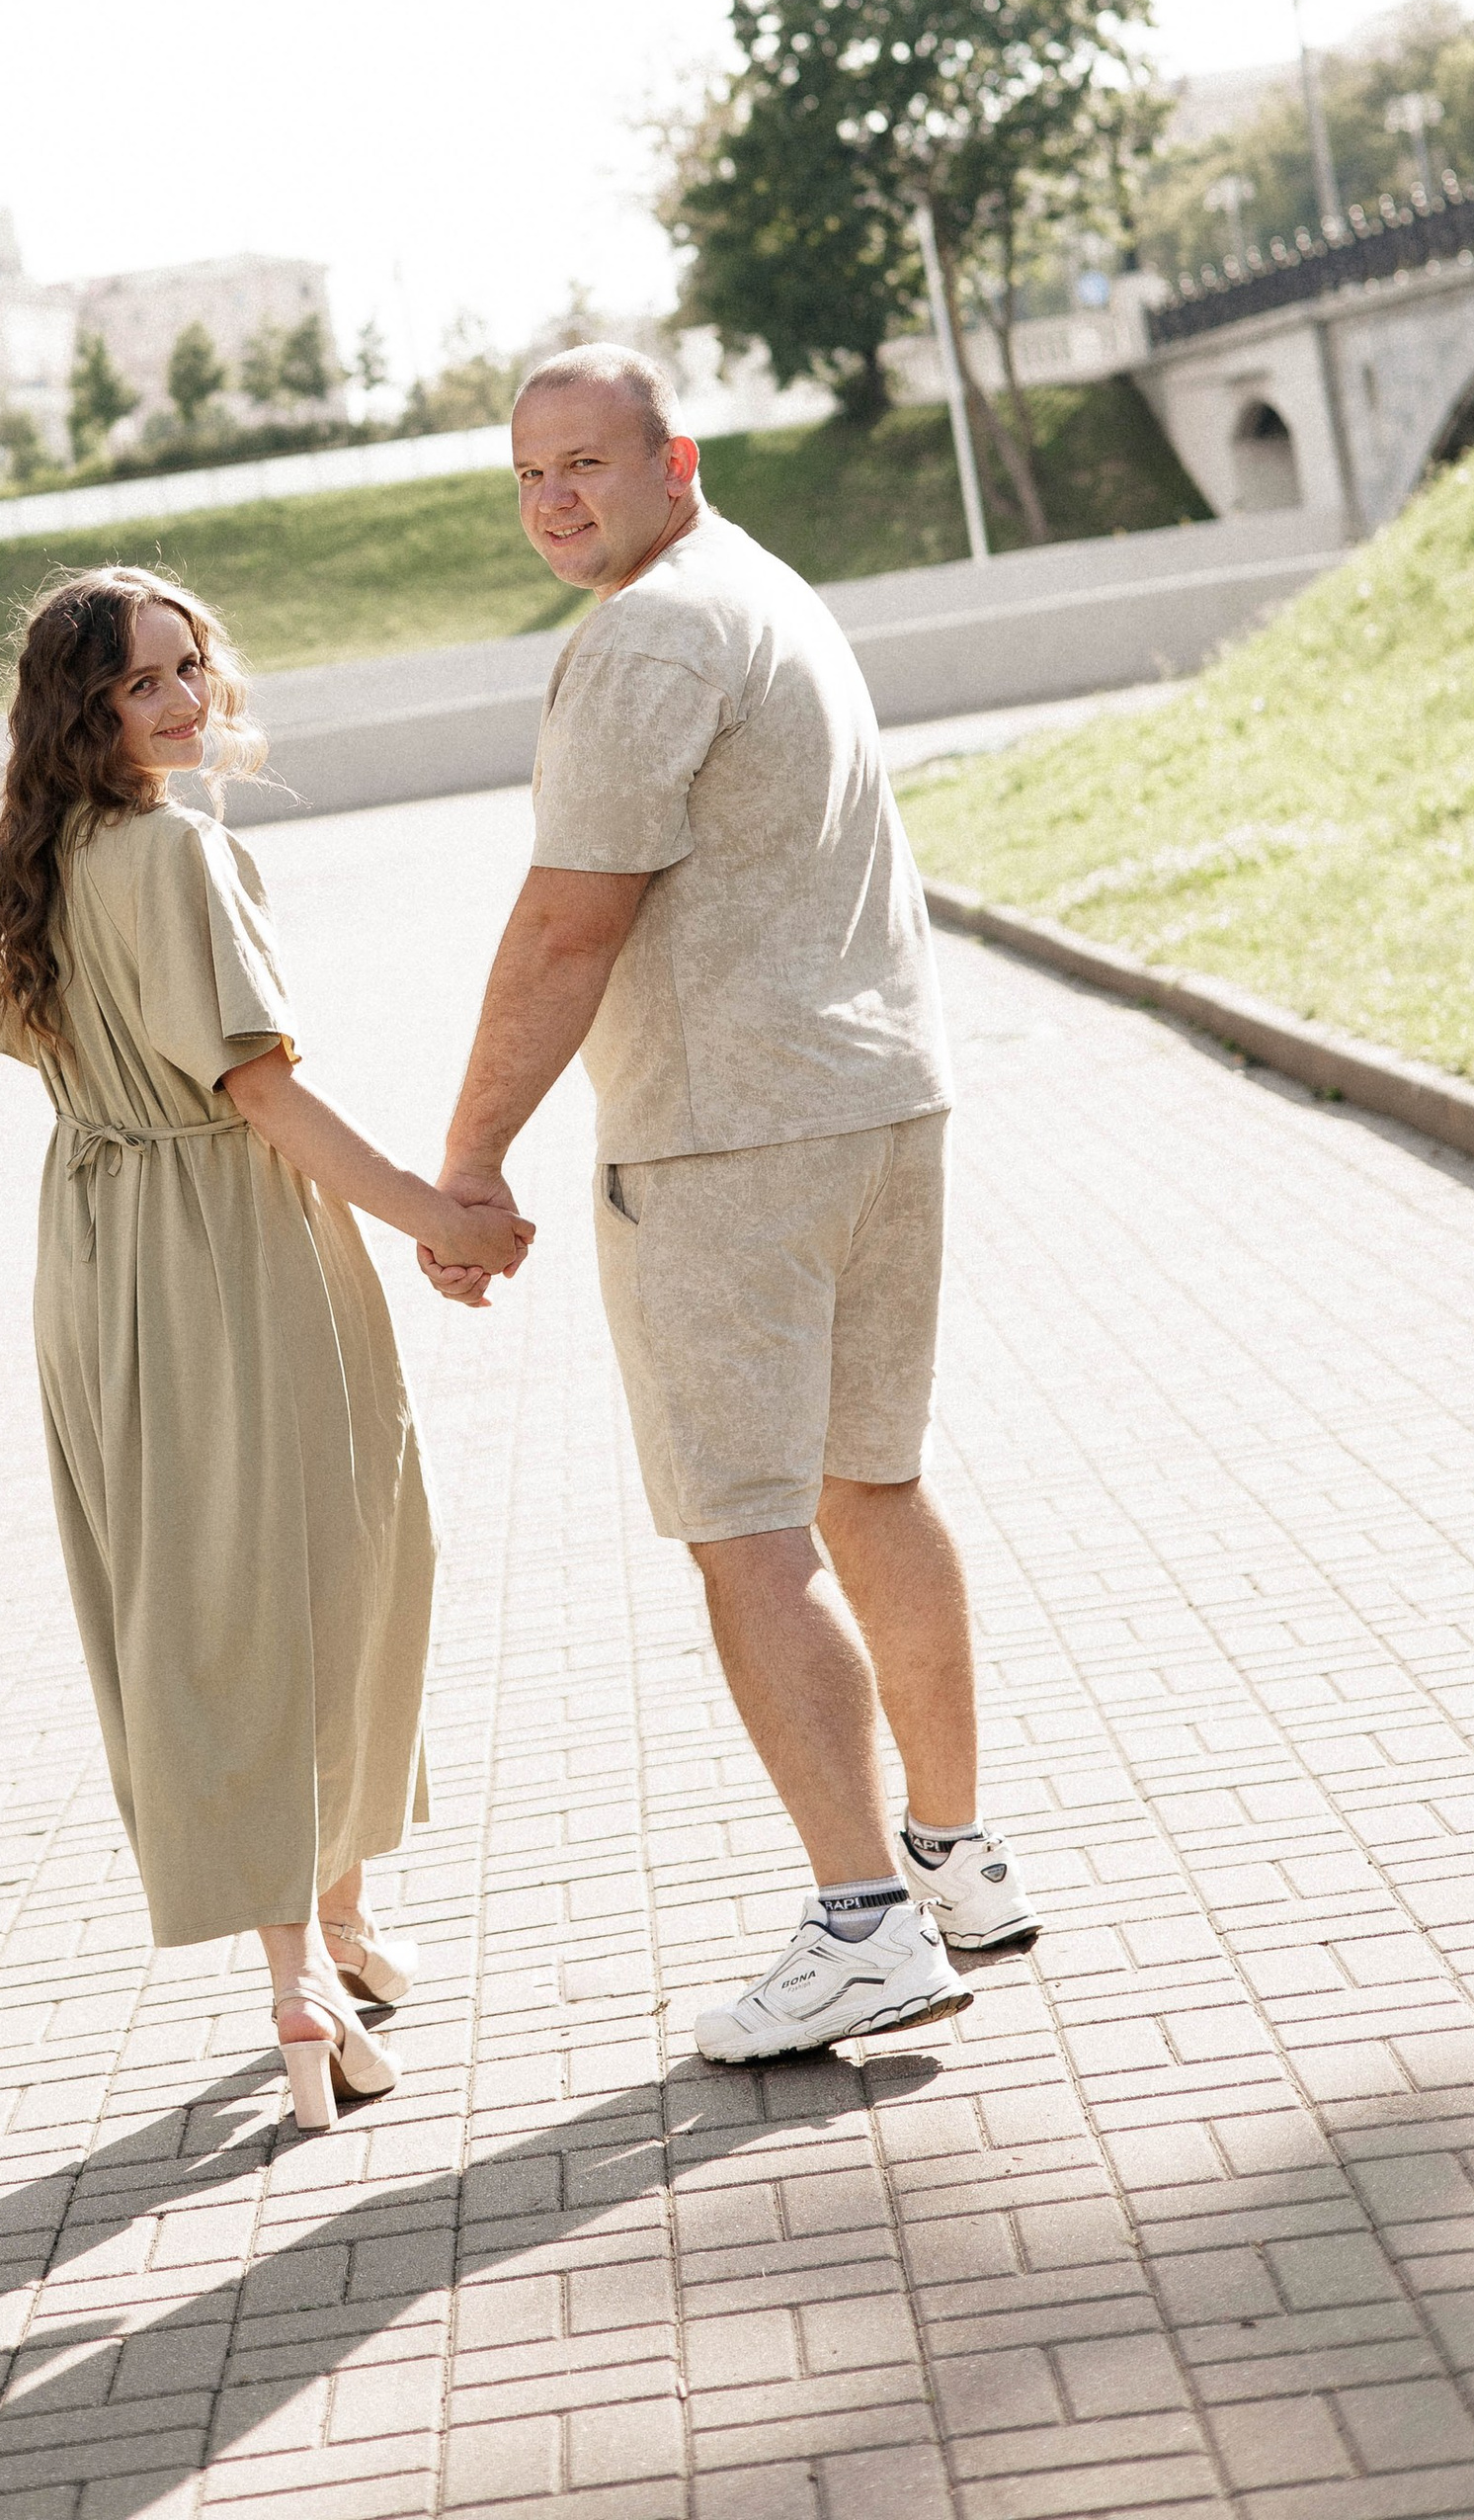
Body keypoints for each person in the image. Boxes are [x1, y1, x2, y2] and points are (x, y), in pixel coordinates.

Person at [423, 347, 1037, 2059]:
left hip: (729, 1142)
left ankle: (862, 1924)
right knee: (873, 1488)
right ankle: (953, 1855)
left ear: (671, 456)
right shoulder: (761, 585)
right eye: (529, 474)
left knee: (746, 1531)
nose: (555, 500)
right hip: (880, 1108)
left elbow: (568, 924)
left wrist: (469, 1158)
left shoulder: (644, 635)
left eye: (586, 465)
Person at [0, 563, 531, 2131]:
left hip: (100, 1254)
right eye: (141, 683)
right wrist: (444, 1214)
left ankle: (332, 1928)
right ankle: (298, 1973)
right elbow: (260, 1097)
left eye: (188, 668)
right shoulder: (177, 851)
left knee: (220, 1584)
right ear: (82, 714)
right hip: (234, 1240)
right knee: (311, 1572)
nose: (179, 702)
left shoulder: (39, 864)